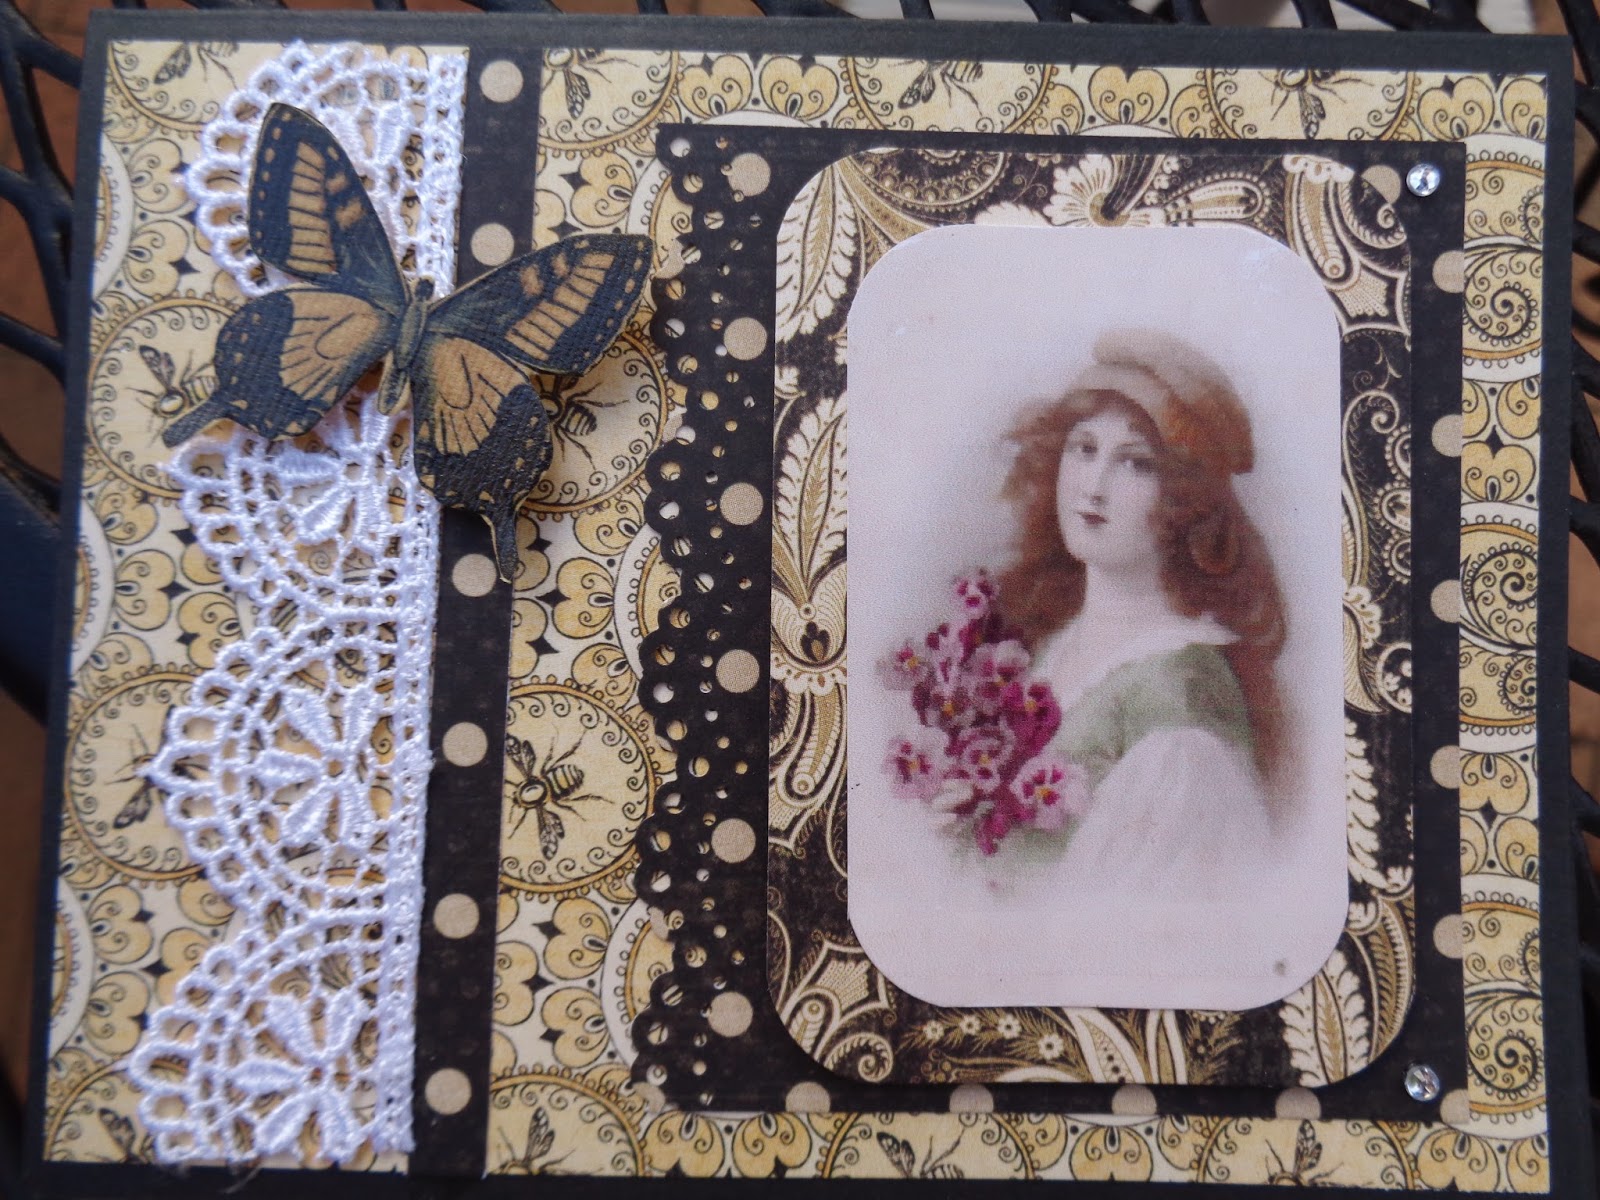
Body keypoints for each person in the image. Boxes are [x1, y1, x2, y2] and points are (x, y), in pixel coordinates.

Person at [991, 329, 1287, 899]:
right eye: (1084, 449)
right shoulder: (1056, 643)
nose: (1093, 486)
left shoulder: (1179, 705)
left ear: (1184, 500)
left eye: (1135, 463)